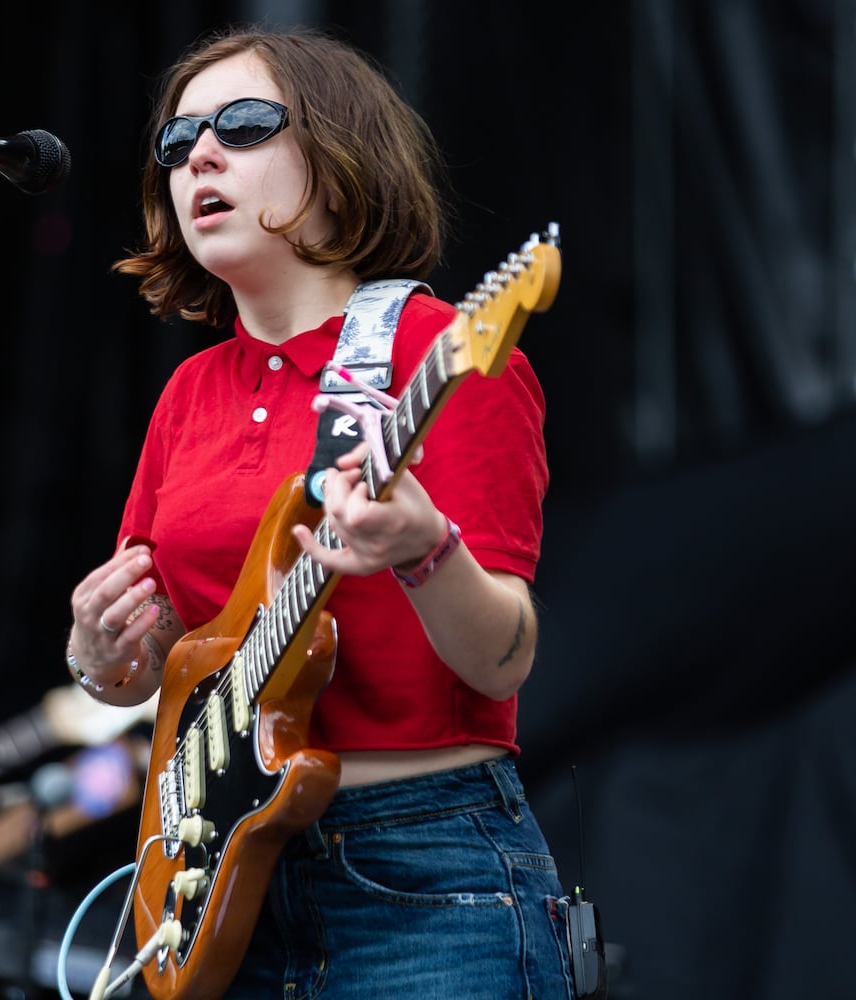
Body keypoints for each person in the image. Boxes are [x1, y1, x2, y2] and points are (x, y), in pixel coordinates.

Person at [63, 23, 573, 1000]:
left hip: (420, 872)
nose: (198, 156)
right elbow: (165, 667)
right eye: (176, 143)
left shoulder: (440, 351)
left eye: (243, 126)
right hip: (224, 883)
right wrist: (97, 654)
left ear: (341, 154)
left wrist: (423, 551)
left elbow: (501, 660)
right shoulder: (188, 395)